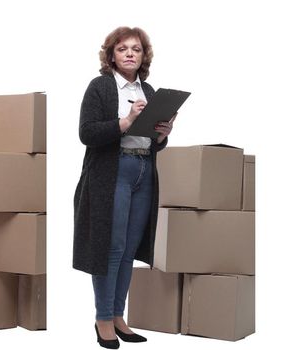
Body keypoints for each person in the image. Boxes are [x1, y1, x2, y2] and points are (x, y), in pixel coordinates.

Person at [73, 26, 175, 349]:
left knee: (130, 248)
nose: (130, 53)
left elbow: (155, 144)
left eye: (136, 49)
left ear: (143, 56)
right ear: (112, 56)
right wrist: (126, 121)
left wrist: (162, 133)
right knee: (111, 247)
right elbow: (87, 133)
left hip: (144, 170)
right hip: (112, 172)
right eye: (123, 49)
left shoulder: (150, 90)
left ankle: (118, 315)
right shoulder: (100, 87)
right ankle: (103, 318)